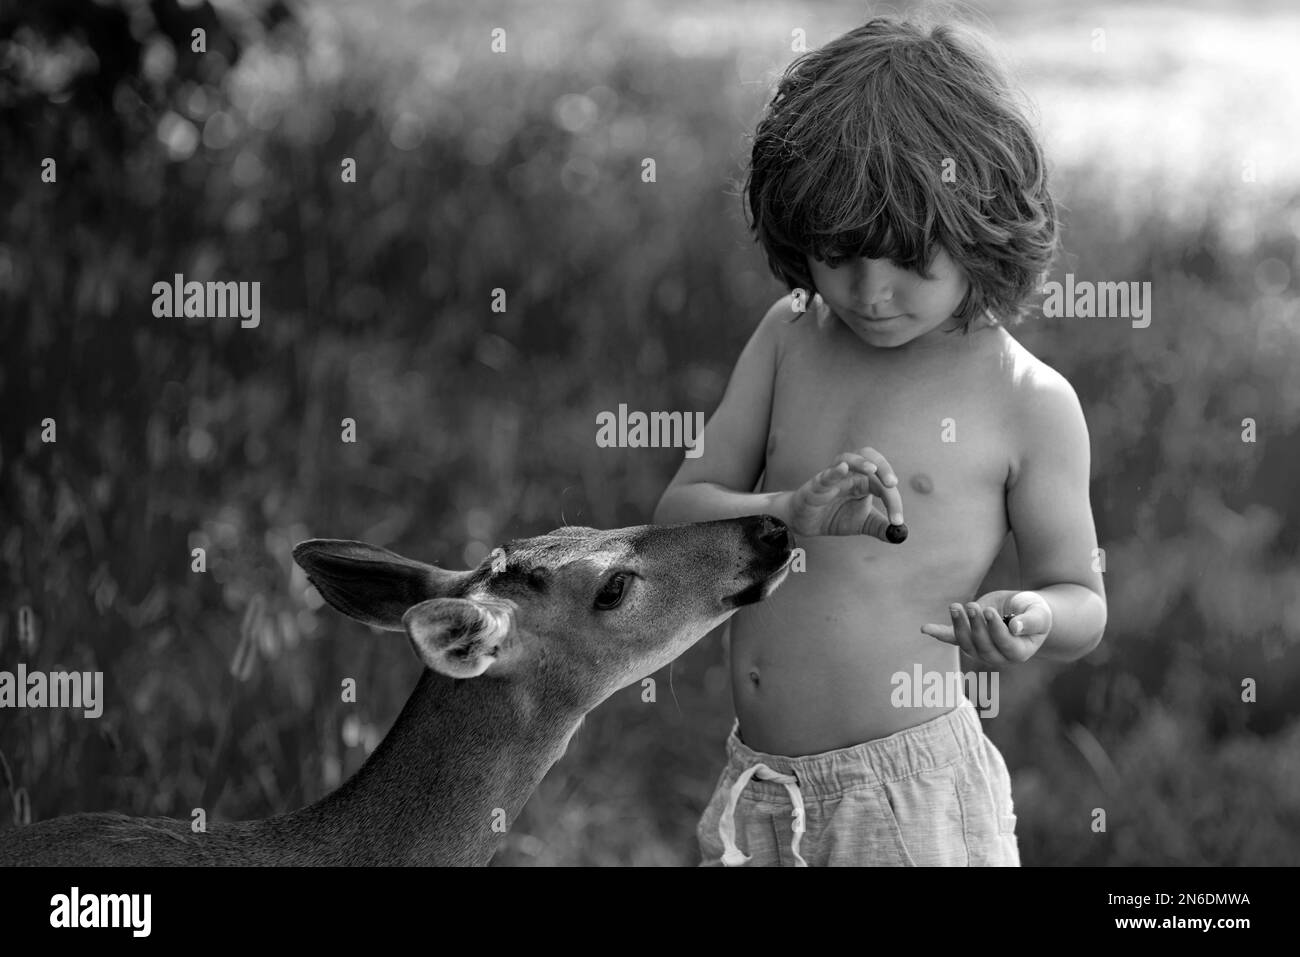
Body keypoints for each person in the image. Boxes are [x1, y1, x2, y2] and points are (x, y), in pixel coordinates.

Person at [654, 16, 1107, 866]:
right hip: (760, 784)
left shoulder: (1028, 401)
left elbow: (1081, 595)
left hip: (909, 797)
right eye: (839, 255)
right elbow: (680, 514)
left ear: (983, 226)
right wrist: (783, 509)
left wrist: (1035, 616)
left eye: (909, 261)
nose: (870, 292)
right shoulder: (790, 335)